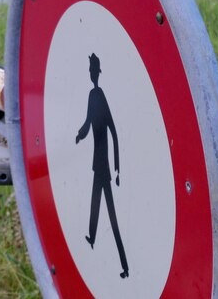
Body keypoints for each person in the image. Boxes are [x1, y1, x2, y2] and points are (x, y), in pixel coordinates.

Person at [76, 53, 129, 279]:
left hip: (105, 167)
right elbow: (88, 123)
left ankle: (125, 266)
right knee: (95, 203)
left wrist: (117, 169)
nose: (91, 74)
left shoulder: (101, 96)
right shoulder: (91, 95)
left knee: (113, 216)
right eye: (90, 71)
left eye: (92, 71)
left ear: (97, 73)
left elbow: (114, 132)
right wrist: (79, 134)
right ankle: (92, 236)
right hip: (97, 165)